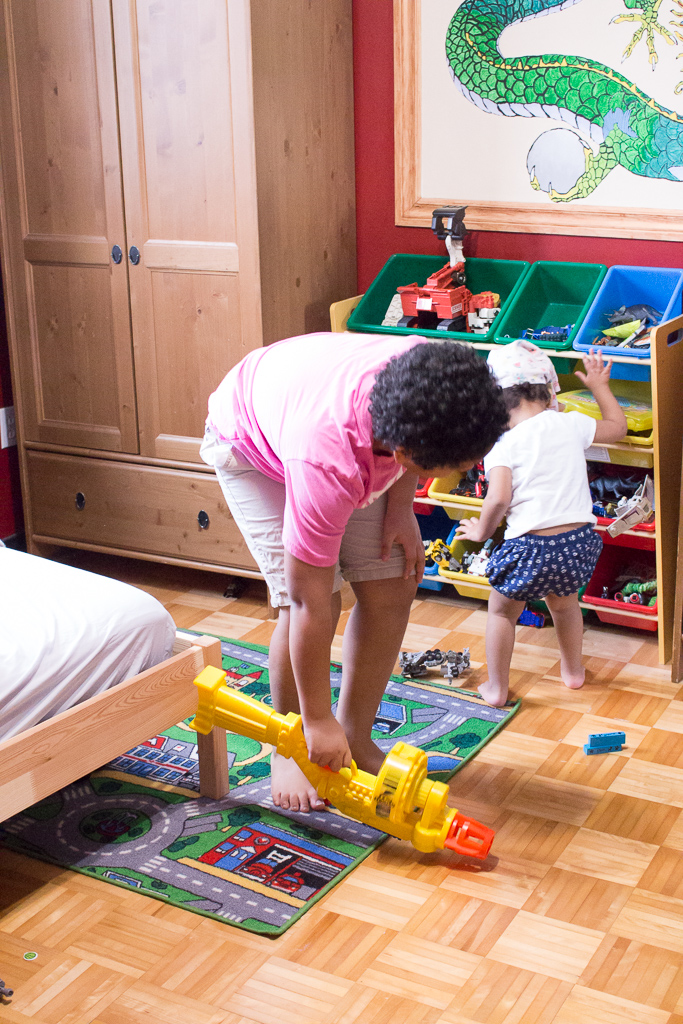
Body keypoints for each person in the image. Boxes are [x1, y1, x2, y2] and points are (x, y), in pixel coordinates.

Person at [201, 331, 508, 811]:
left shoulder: (427, 377)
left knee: (394, 583)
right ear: (405, 451)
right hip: (250, 441)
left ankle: (355, 733)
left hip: (324, 410)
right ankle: (291, 745)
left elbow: (412, 458)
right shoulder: (328, 458)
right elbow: (307, 603)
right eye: (452, 468)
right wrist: (315, 720)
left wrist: (401, 507)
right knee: (314, 600)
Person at [456, 343, 628, 707]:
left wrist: (481, 532)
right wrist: (599, 387)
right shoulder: (569, 422)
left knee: (502, 611)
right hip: (579, 544)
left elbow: (499, 499)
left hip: (531, 549)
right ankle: (573, 672)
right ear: (550, 391)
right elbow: (618, 428)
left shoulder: (501, 443)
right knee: (565, 606)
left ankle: (497, 688)